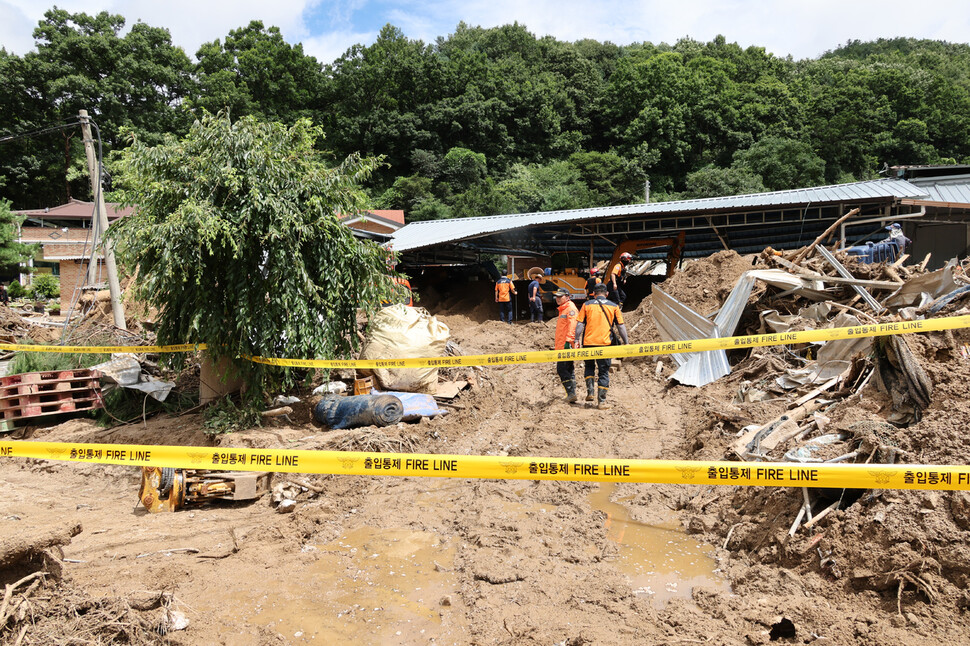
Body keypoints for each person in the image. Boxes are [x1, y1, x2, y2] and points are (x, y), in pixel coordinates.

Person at [575, 283, 629, 409]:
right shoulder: (614, 306)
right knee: (603, 371)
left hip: (588, 343)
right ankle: (602, 402)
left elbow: (579, 325)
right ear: (607, 294)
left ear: (593, 294)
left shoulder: (586, 305)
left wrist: (576, 339)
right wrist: (626, 342)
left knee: (589, 366)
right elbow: (620, 326)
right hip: (605, 345)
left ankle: (590, 392)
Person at [552, 288, 579, 403]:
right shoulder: (563, 309)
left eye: (560, 296)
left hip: (566, 345)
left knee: (562, 369)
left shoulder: (570, 309)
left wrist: (568, 342)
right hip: (562, 345)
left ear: (567, 297)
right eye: (557, 296)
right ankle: (572, 394)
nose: (558, 299)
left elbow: (573, 326)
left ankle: (571, 393)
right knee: (568, 368)